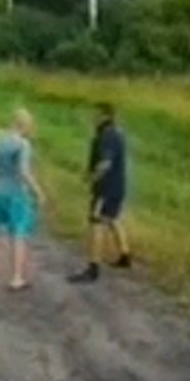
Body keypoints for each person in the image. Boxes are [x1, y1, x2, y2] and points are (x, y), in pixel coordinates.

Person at [0, 107, 45, 291]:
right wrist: (38, 191)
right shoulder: (22, 145)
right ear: (25, 125)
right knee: (18, 235)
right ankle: (16, 278)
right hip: (16, 194)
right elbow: (23, 171)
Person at [68, 101, 132, 284]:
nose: (92, 117)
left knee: (96, 222)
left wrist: (91, 178)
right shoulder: (117, 132)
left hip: (106, 188)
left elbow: (105, 163)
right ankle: (125, 255)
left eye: (95, 114)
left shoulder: (107, 135)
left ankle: (92, 268)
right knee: (113, 218)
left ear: (105, 116)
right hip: (118, 186)